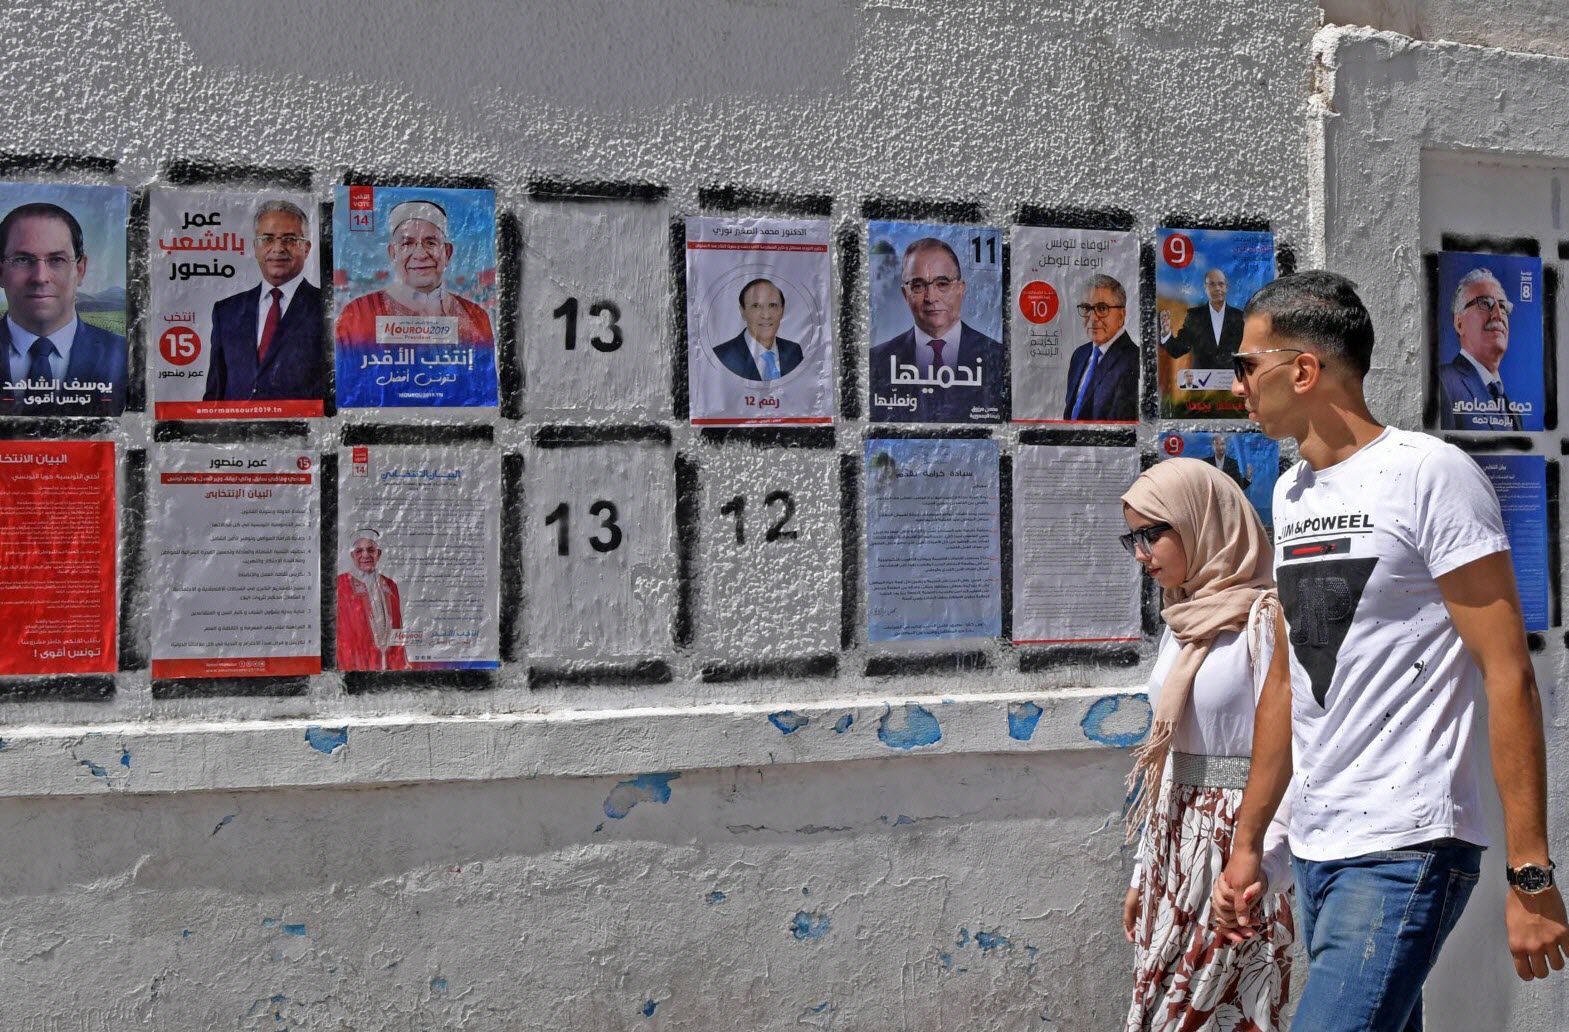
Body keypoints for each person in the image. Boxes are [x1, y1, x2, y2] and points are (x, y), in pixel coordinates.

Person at [1213, 271, 1569, 1030]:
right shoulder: (1291, 492)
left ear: (1301, 370)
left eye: (1246, 365)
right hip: (1317, 848)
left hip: (1408, 844)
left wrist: (1530, 873)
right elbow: (1287, 678)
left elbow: (1506, 672)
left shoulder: (1428, 474)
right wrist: (1251, 843)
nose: (1235, 383)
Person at [1119, 458, 1295, 1031]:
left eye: (1153, 533)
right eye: (1133, 538)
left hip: (1240, 849)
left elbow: (1291, 749)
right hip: (1176, 842)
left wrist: (1265, 864)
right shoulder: (1182, 622)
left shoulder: (1265, 619)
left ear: (1203, 521)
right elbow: (1168, 754)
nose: (1143, 553)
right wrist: (1145, 870)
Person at [0, 201, 126, 415]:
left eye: (57, 259)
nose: (40, 277)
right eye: (22, 259)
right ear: (1, 272)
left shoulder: (123, 356)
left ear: (80, 269)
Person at [869, 237, 1004, 422]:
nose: (931, 297)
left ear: (960, 289)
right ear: (905, 294)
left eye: (942, 284)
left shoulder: (999, 358)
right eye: (917, 286)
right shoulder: (875, 363)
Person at [203, 199, 324, 404]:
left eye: (290, 239)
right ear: (255, 247)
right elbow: (215, 394)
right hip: (235, 433)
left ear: (306, 248)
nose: (278, 248)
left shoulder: (328, 309)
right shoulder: (226, 312)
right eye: (267, 239)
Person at [334, 199, 493, 347]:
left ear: (447, 252)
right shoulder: (358, 314)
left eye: (431, 243)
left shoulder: (476, 317)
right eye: (407, 244)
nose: (420, 254)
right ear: (392, 253)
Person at [1437, 267, 1521, 430]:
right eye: (1485, 303)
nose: (1498, 314)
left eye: (1503, 307)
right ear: (1459, 323)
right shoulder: (1443, 383)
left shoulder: (1514, 413)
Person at [1062, 273, 1138, 421]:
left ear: (1121, 316)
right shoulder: (1079, 355)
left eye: (1102, 308)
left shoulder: (1135, 361)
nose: (1093, 317)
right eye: (1086, 307)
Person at [336, 529, 408, 671]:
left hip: (388, 664)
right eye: (359, 551)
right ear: (352, 555)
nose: (365, 555)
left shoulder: (390, 585)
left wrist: (400, 666)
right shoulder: (340, 584)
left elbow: (398, 629)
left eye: (371, 550)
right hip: (354, 664)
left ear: (378, 554)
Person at [712, 277, 804, 381]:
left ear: (782, 310)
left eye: (773, 305)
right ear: (743, 312)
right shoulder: (721, 356)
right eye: (756, 306)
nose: (766, 315)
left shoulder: (794, 352)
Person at [1160, 267, 1244, 371]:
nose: (1217, 288)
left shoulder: (1239, 317)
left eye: (1221, 284)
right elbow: (1177, 350)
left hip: (1232, 384)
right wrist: (1166, 333)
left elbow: (1246, 352)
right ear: (1206, 287)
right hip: (1201, 384)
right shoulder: (1194, 317)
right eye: (1212, 284)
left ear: (1226, 287)